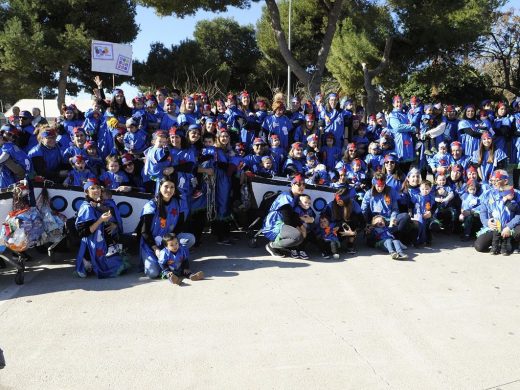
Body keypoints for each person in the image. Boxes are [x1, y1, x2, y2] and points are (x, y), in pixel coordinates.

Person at [139, 178, 195, 279]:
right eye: (166, 186)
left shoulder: (178, 202)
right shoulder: (151, 205)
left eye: (172, 187)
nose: (169, 190)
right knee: (153, 273)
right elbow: (144, 231)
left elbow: (180, 225)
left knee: (190, 238)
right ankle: (170, 265)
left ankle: (174, 263)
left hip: (169, 241)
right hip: (152, 244)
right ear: (160, 187)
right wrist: (156, 248)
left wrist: (170, 241)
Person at [74, 179, 128, 278]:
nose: (96, 190)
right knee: (115, 267)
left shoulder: (98, 204)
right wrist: (100, 220)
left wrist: (114, 225)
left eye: (98, 188)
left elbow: (111, 220)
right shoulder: (87, 207)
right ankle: (87, 259)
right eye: (92, 188)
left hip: (103, 240)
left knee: (120, 264)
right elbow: (83, 232)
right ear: (86, 192)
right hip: (92, 243)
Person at [263, 174, 310, 257]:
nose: (302, 186)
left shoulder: (297, 197)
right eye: (299, 184)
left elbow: (294, 215)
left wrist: (302, 226)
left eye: (304, 184)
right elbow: (287, 219)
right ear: (292, 184)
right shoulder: (286, 197)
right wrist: (299, 227)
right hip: (275, 224)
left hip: (284, 222)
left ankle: (283, 246)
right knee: (297, 236)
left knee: (305, 229)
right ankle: (272, 246)